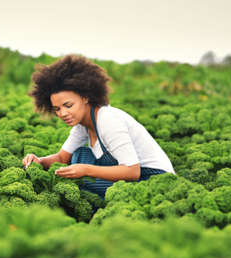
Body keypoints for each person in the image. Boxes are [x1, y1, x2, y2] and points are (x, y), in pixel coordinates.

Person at [22, 54, 175, 199]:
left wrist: (86, 170)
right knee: (79, 155)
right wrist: (39, 161)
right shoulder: (83, 125)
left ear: (85, 97)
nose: (63, 113)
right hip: (134, 176)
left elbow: (132, 171)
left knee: (78, 180)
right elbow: (62, 158)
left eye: (68, 105)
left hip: (153, 180)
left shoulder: (108, 120)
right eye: (57, 109)